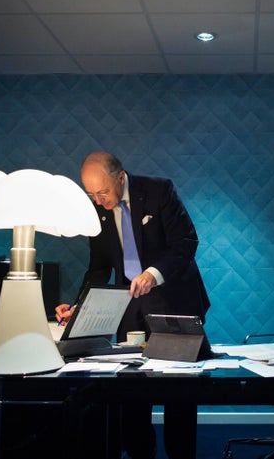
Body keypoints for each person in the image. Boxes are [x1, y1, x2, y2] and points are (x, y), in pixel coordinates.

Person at [56, 151, 210, 459]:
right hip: (131, 304)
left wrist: (153, 274)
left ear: (120, 177)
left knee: (179, 391)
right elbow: (98, 266)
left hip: (174, 298)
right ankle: (141, 453)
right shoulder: (99, 209)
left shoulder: (158, 191)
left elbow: (186, 242)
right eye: (91, 194)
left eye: (102, 192)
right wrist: (79, 307)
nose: (98, 201)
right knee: (131, 389)